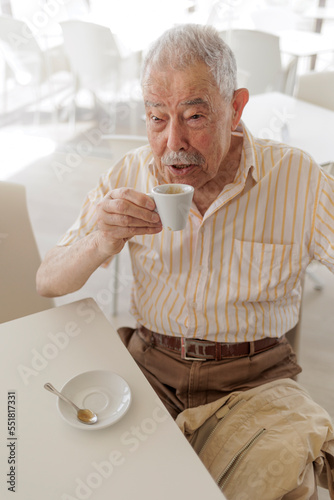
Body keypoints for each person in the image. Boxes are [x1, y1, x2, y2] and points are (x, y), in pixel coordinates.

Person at [37, 24, 334, 426]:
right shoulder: (130, 171)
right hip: (151, 367)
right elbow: (48, 282)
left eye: (194, 116)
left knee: (273, 479)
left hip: (256, 380)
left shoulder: (298, 177)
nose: (173, 142)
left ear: (235, 108)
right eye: (157, 118)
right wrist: (101, 241)